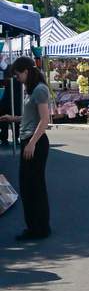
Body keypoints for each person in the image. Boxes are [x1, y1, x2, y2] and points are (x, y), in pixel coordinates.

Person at [0, 57, 51, 241]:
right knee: (30, 186)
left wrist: (32, 143)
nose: (17, 78)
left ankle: (38, 228)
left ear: (26, 71)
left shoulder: (39, 90)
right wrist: (13, 118)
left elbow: (44, 120)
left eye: (18, 74)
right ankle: (38, 227)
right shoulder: (33, 89)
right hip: (30, 140)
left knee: (33, 187)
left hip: (34, 142)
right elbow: (31, 117)